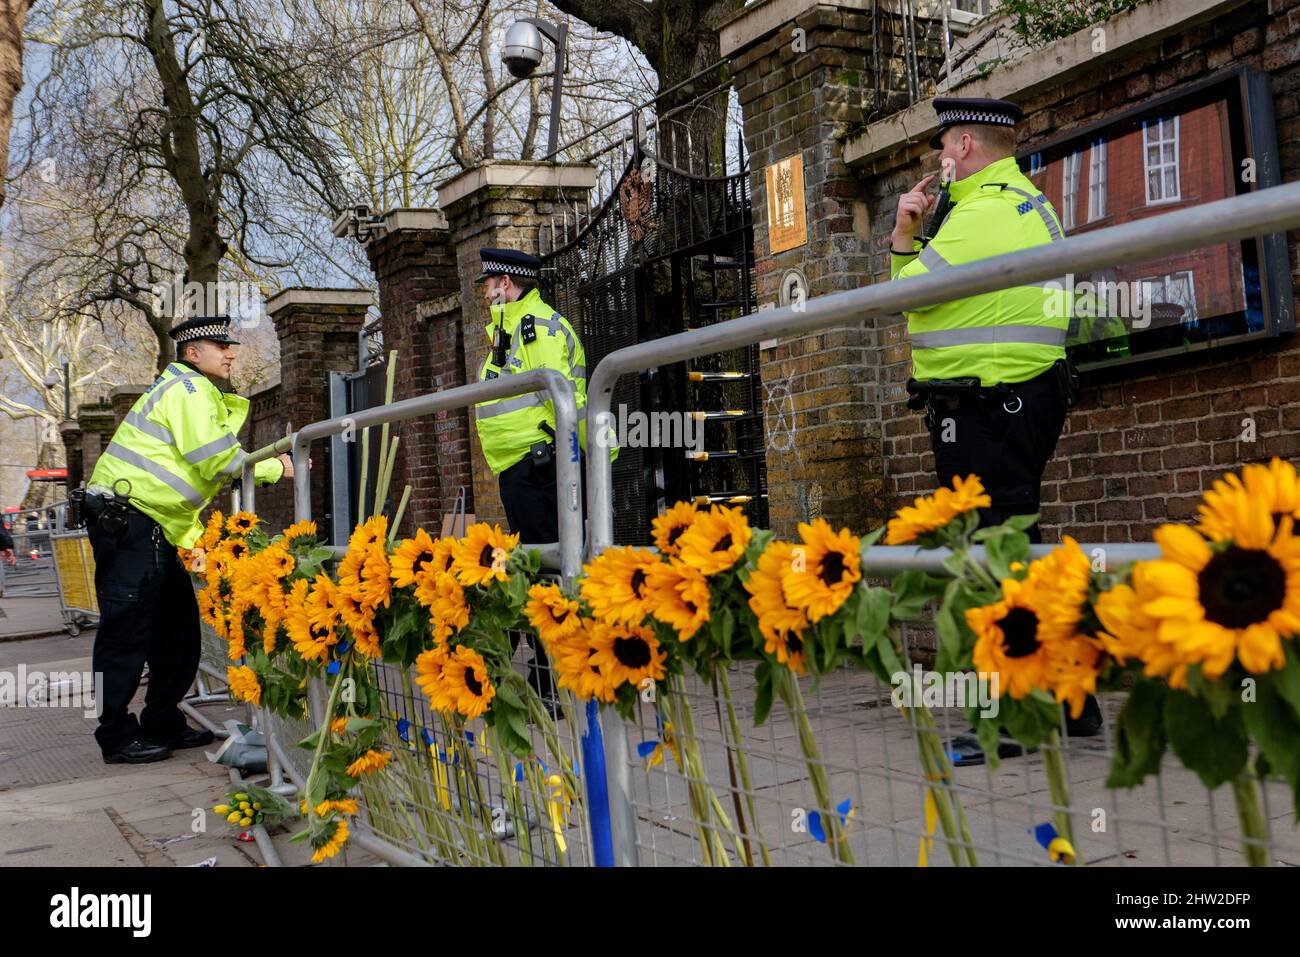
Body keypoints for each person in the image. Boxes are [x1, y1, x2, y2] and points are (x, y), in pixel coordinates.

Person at [890, 97, 1099, 764]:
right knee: (1014, 547)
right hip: (1008, 397)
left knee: (991, 558)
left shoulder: (981, 213)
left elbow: (907, 297)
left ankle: (1010, 717)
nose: (941, 161)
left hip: (991, 402)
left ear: (969, 147)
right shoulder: (1021, 201)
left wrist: (902, 234)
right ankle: (1070, 700)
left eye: (946, 147)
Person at [84, 316, 295, 764]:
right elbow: (213, 459)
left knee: (178, 629)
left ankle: (162, 719)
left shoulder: (195, 393)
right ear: (193, 353)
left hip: (151, 525)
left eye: (230, 346)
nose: (231, 353)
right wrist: (278, 466)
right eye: (222, 347)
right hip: (128, 522)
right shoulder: (188, 390)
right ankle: (115, 735)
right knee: (125, 631)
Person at [472, 247, 601, 706]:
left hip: (542, 462)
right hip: (522, 466)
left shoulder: (536, 328)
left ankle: (550, 685)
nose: (485, 293)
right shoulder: (507, 332)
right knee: (537, 565)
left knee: (546, 569)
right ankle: (543, 679)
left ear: (507, 284)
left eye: (489, 285)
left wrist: (575, 458)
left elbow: (560, 397)